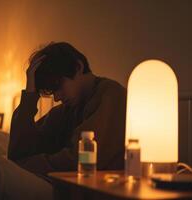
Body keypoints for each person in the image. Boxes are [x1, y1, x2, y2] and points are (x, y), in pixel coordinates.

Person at [8, 41, 126, 178]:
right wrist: (29, 95)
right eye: (52, 92)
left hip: (82, 189)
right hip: (58, 182)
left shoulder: (110, 95)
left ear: (78, 67)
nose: (56, 98)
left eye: (58, 86)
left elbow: (77, 160)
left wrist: (21, 166)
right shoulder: (65, 110)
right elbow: (19, 153)